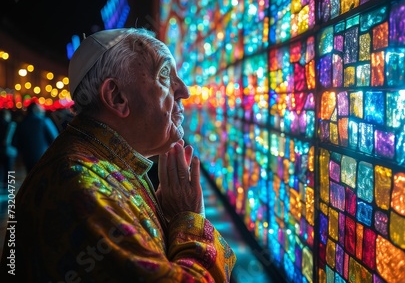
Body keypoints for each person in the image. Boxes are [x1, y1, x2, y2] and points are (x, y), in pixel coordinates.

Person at [0, 28, 236, 281]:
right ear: (117, 97)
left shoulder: (105, 160)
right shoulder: (83, 187)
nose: (184, 90)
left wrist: (168, 220)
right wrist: (188, 220)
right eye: (165, 75)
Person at [13, 102, 59, 173]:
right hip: (44, 157)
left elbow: (17, 142)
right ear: (36, 110)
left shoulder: (21, 123)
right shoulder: (44, 121)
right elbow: (55, 139)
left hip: (27, 158)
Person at [0, 109, 17, 187]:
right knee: (9, 169)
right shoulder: (10, 124)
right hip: (8, 150)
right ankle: (9, 187)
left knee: (1, 169)